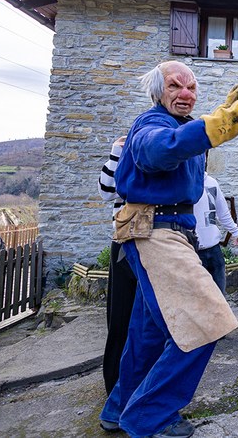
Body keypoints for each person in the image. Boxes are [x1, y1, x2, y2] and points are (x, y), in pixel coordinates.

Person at [99, 61, 238, 437]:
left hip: (167, 233)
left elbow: (182, 145)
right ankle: (149, 416)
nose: (186, 94)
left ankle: (119, 409)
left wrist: (218, 114)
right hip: (156, 232)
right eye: (175, 86)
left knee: (147, 335)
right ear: (157, 92)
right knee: (206, 322)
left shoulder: (175, 124)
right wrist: (225, 122)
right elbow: (160, 150)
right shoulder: (150, 124)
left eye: (191, 88)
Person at [97, 135, 138, 396]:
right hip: (125, 242)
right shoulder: (127, 155)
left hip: (162, 243)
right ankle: (115, 386)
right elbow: (106, 191)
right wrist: (117, 151)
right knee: (121, 317)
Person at [194, 170, 238, 294]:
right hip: (193, 250)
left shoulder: (212, 182)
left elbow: (222, 211)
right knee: (199, 295)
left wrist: (234, 231)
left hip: (214, 249)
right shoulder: (182, 184)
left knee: (220, 294)